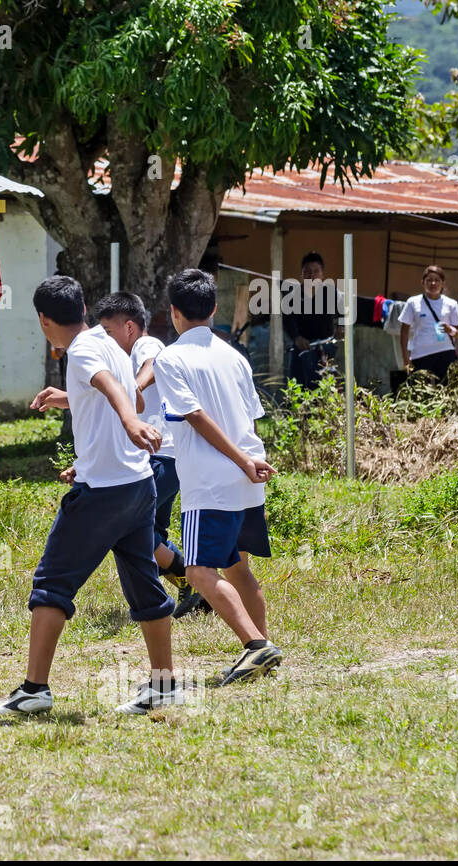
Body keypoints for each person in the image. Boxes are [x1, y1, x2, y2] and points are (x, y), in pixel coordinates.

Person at [0, 276, 178, 718]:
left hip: (102, 494)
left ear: (42, 320)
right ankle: (165, 684)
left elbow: (113, 390)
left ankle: (34, 689)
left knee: (52, 584)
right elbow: (124, 392)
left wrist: (130, 426)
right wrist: (73, 399)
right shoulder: (108, 341)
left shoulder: (82, 350)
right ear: (86, 308)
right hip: (138, 485)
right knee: (144, 587)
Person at [153, 269, 284, 687]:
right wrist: (249, 463)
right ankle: (262, 649)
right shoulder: (235, 356)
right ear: (213, 309)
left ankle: (256, 646)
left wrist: (241, 461)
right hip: (247, 478)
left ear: (174, 312)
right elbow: (247, 420)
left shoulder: (171, 358)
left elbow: (192, 414)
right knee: (238, 569)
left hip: (210, 483)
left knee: (197, 573)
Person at [94, 292, 207, 619]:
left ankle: (192, 584)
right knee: (147, 533)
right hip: (161, 457)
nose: (105, 337)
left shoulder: (146, 344)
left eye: (108, 330)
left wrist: (136, 389)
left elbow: (154, 363)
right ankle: (194, 586)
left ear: (129, 327)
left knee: (125, 527)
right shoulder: (118, 364)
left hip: (160, 457)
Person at [284, 251, 344, 389]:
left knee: (327, 385)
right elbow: (288, 320)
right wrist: (296, 337)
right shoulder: (293, 295)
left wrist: (341, 327)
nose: (312, 276)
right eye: (307, 272)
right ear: (301, 274)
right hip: (302, 347)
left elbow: (343, 310)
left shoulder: (330, 292)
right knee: (298, 387)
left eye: (316, 272)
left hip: (325, 346)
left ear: (322, 274)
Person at [399, 265, 458, 382]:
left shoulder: (451, 304)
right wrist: (405, 359)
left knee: (446, 393)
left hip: (446, 354)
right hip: (420, 356)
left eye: (437, 280)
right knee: (420, 393)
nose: (433, 283)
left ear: (443, 283)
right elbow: (404, 332)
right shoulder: (413, 302)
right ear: (422, 282)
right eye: (429, 280)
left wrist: (450, 330)